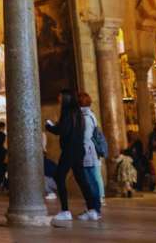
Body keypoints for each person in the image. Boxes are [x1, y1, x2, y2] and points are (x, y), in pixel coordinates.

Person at [46, 89, 100, 222]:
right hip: (79, 149)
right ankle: (92, 210)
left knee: (59, 177)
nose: (58, 99)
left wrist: (49, 126)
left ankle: (65, 211)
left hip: (70, 150)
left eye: (60, 96)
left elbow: (62, 131)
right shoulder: (78, 113)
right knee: (81, 179)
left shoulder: (68, 113)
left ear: (66, 98)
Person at [78, 92, 104, 206]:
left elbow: (86, 136)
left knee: (93, 175)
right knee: (94, 174)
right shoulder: (89, 114)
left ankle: (97, 200)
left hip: (88, 149)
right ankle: (97, 199)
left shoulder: (86, 116)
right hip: (90, 148)